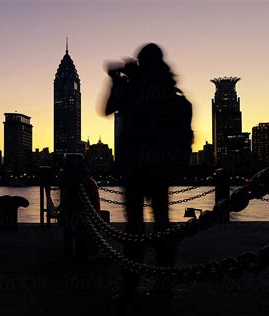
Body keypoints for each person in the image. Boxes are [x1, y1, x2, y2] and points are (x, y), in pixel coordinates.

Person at [103, 43, 193, 301]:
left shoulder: (134, 87)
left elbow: (108, 108)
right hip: (161, 165)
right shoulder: (168, 88)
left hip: (135, 166)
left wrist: (116, 80)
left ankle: (130, 286)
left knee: (134, 227)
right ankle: (163, 284)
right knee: (163, 224)